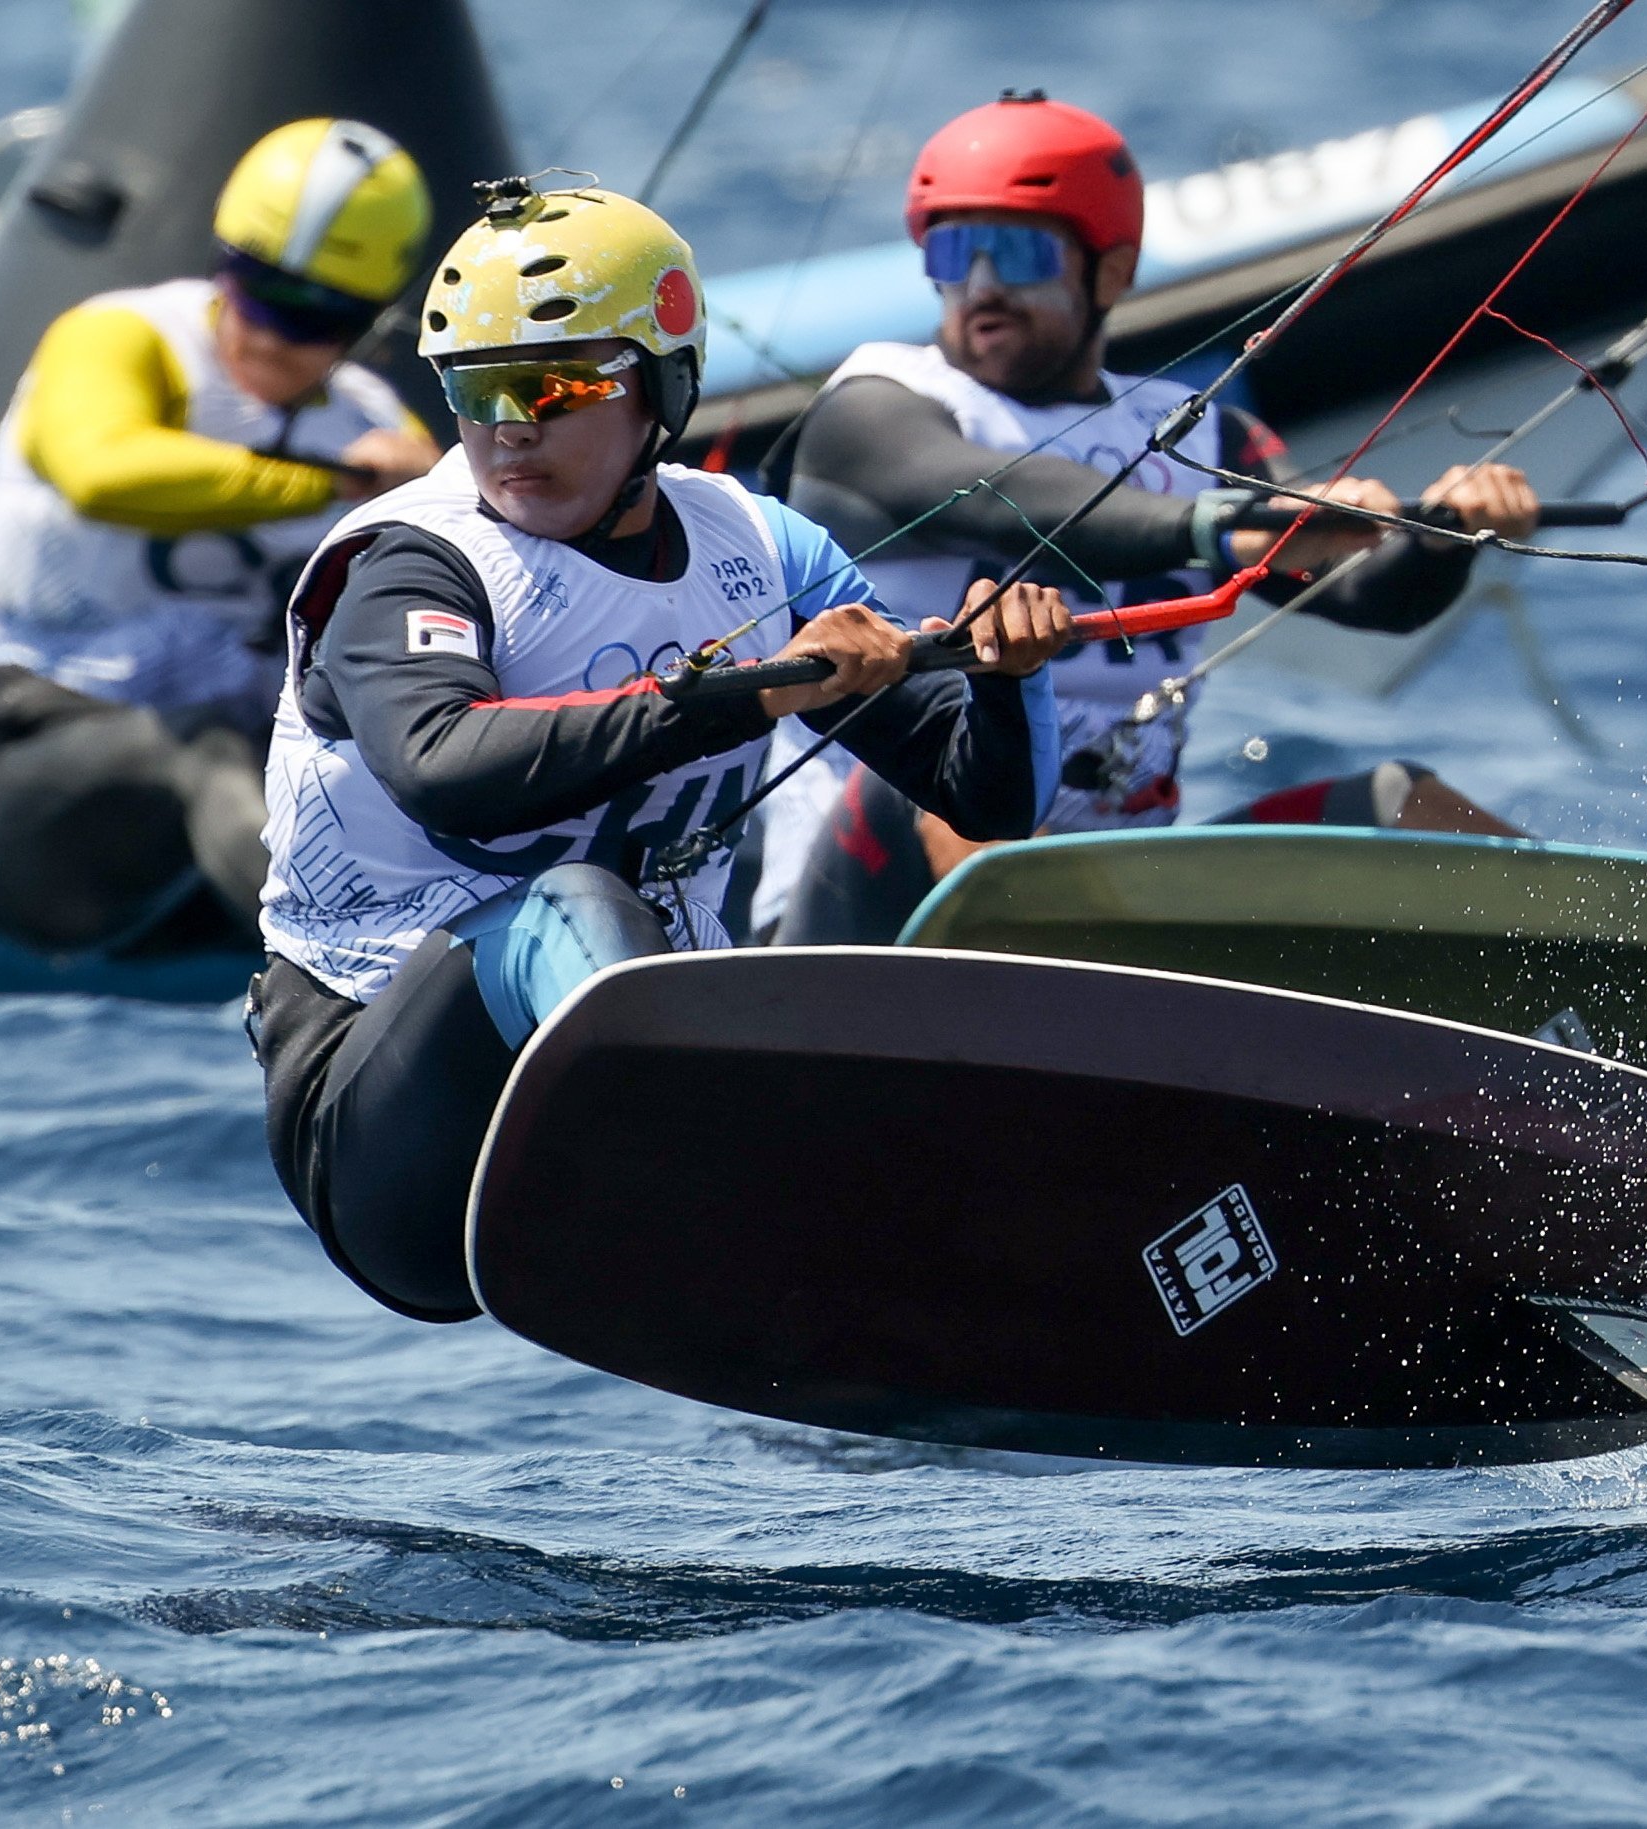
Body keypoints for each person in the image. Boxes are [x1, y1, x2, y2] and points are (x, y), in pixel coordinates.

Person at [249, 178, 1070, 1323]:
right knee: (570, 895)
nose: (511, 427)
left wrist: (1004, 677)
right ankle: (769, 1233)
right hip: (385, 1133)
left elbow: (986, 804)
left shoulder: (764, 546)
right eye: (474, 391)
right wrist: (738, 696)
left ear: (662, 386)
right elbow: (444, 766)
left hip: (622, 1104)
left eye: (560, 384)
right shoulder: (409, 561)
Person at [760, 90, 1541, 943]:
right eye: (954, 252)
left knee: (1410, 807)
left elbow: (1369, 597)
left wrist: (1441, 543)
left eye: (1017, 254)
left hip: (1109, 898)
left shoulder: (1202, 433)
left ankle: (1624, 1015)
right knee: (947, 794)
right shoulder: (873, 409)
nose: (980, 287)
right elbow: (1007, 498)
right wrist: (1224, 526)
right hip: (864, 899)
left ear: (1112, 270)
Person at [0, 117, 440, 951]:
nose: (266, 332)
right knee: (207, 751)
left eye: (313, 317)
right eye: (257, 288)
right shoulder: (122, 337)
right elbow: (100, 472)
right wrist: (328, 485)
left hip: (235, 797)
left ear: (369, 317)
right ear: (224, 258)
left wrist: (436, 497)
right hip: (20, 744)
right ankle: (343, 969)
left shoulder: (377, 425)